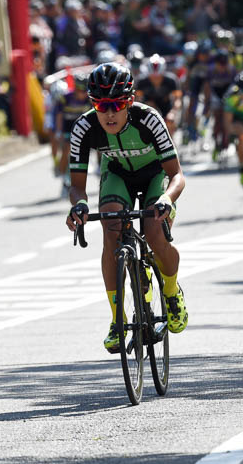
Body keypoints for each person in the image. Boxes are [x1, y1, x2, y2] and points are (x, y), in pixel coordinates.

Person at [65, 63, 188, 353]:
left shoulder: (149, 119)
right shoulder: (84, 127)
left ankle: (170, 291)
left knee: (154, 232)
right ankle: (117, 318)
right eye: (101, 105)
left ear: (129, 101)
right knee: (111, 229)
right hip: (118, 175)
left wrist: (167, 199)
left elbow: (177, 175)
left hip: (156, 175)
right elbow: (76, 185)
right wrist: (79, 205)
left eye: (117, 104)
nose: (109, 113)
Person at [53, 72, 90, 193]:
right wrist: (58, 131)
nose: (83, 94)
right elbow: (59, 115)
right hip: (67, 127)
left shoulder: (89, 100)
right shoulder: (65, 98)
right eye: (81, 91)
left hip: (81, 127)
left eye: (85, 91)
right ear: (76, 89)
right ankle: (64, 178)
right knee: (66, 150)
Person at [135, 54, 182, 137]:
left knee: (170, 122)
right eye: (152, 77)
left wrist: (173, 113)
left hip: (166, 105)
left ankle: (170, 143)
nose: (155, 79)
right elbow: (136, 99)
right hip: (147, 105)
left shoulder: (171, 80)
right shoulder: (141, 81)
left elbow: (177, 99)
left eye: (158, 77)